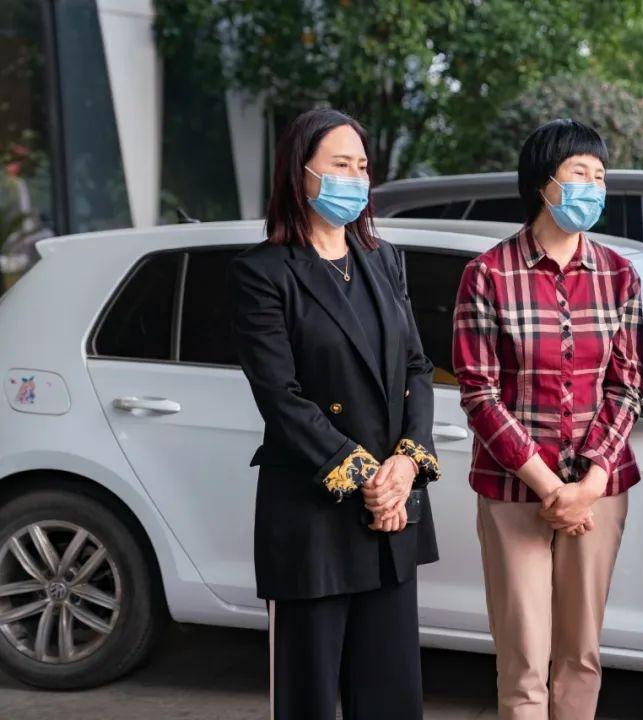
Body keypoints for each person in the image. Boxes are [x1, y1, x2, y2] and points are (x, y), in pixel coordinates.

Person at [228, 108, 440, 720]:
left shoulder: (384, 259)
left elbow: (418, 368)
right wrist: (368, 478)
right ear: (301, 174)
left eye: (362, 166)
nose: (355, 178)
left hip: (391, 514)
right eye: (340, 164)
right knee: (310, 697)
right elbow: (281, 396)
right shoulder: (262, 272)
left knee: (392, 695)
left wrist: (407, 464)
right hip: (315, 516)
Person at [452, 118, 643, 719]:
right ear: (544, 184)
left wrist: (588, 483)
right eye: (579, 173)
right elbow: (479, 392)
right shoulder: (488, 274)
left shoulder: (619, 275)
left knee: (581, 656)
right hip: (514, 490)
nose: (594, 186)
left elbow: (627, 385)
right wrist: (549, 487)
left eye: (600, 176)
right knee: (524, 662)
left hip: (598, 490)